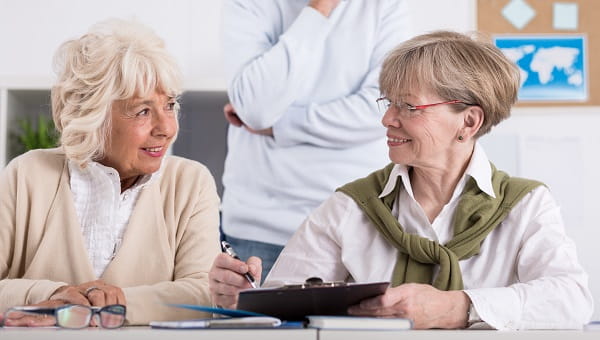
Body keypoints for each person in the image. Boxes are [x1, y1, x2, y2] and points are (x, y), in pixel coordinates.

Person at [209, 31, 594, 330]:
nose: (387, 119)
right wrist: (247, 299)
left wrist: (456, 307)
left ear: (469, 122)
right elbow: (280, 305)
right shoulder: (350, 206)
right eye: (388, 102)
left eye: (408, 106)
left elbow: (571, 300)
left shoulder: (526, 204)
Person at [0, 19, 221, 326]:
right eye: (143, 111)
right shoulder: (26, 175)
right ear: (92, 115)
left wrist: (116, 304)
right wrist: (55, 294)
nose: (167, 128)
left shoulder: (190, 183)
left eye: (170, 105)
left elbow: (204, 292)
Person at [219, 0, 412, 279]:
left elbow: (384, 108)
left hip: (357, 226)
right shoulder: (249, 4)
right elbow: (256, 108)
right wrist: (318, 10)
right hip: (262, 227)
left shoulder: (385, 5)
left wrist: (282, 125)